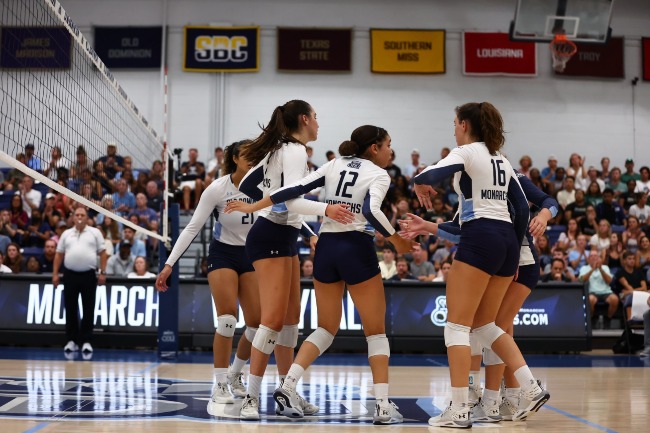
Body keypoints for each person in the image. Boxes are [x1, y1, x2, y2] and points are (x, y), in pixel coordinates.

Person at [227, 124, 415, 424]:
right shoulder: (379, 174)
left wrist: (258, 204)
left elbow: (291, 191)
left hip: (326, 248)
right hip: (356, 248)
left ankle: (288, 386)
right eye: (389, 144)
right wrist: (398, 241)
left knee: (326, 329)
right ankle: (381, 405)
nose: (392, 150)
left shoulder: (334, 163)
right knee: (376, 333)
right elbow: (371, 210)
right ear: (375, 148)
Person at [410, 102, 547, 427]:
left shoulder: (468, 151)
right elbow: (522, 210)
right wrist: (513, 251)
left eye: (456, 122)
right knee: (486, 325)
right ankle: (530, 386)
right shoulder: (502, 160)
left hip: (479, 235)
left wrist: (418, 181)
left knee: (456, 326)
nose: (454, 128)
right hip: (505, 242)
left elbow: (430, 175)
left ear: (467, 125)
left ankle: (459, 410)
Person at [223, 100, 351, 421]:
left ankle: (287, 393)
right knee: (273, 321)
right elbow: (291, 199)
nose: (319, 124)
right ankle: (251, 398)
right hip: (270, 237)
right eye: (316, 117)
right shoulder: (294, 151)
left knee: (291, 320)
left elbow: (251, 184)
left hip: (283, 235)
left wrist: (279, 207)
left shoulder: (281, 149)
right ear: (304, 119)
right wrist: (324, 211)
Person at [52, 207, 107, 353]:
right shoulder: (66, 233)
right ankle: (71, 340)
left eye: (82, 215)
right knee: (70, 308)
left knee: (88, 308)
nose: (80, 217)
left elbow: (103, 253)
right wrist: (55, 274)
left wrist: (102, 272)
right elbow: (58, 255)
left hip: (88, 275)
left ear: (87, 217)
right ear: (73, 217)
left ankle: (86, 341)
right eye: (77, 215)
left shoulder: (95, 233)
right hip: (69, 275)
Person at [580, 249, 616, 329]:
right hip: (591, 292)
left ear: (599, 258)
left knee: (614, 299)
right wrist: (592, 269)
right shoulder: (584, 268)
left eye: (595, 256)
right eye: (591, 256)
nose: (593, 258)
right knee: (590, 300)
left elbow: (609, 281)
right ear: (588, 258)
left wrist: (600, 269)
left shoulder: (605, 267)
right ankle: (592, 319)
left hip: (606, 292)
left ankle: (608, 319)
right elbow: (582, 280)